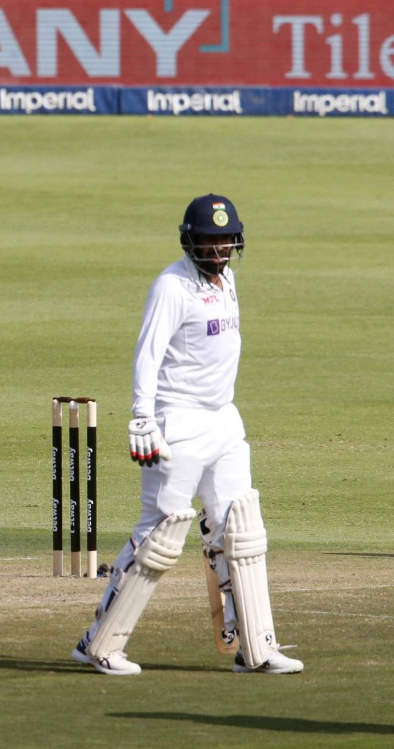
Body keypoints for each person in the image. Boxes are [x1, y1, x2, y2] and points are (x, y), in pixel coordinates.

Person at [70, 194, 303, 676]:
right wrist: (142, 418)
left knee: (239, 529)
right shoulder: (171, 286)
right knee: (161, 532)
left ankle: (256, 647)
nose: (217, 249)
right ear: (190, 240)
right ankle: (99, 643)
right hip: (177, 419)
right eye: (208, 240)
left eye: (224, 240)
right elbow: (147, 355)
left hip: (223, 419)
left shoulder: (229, 281)